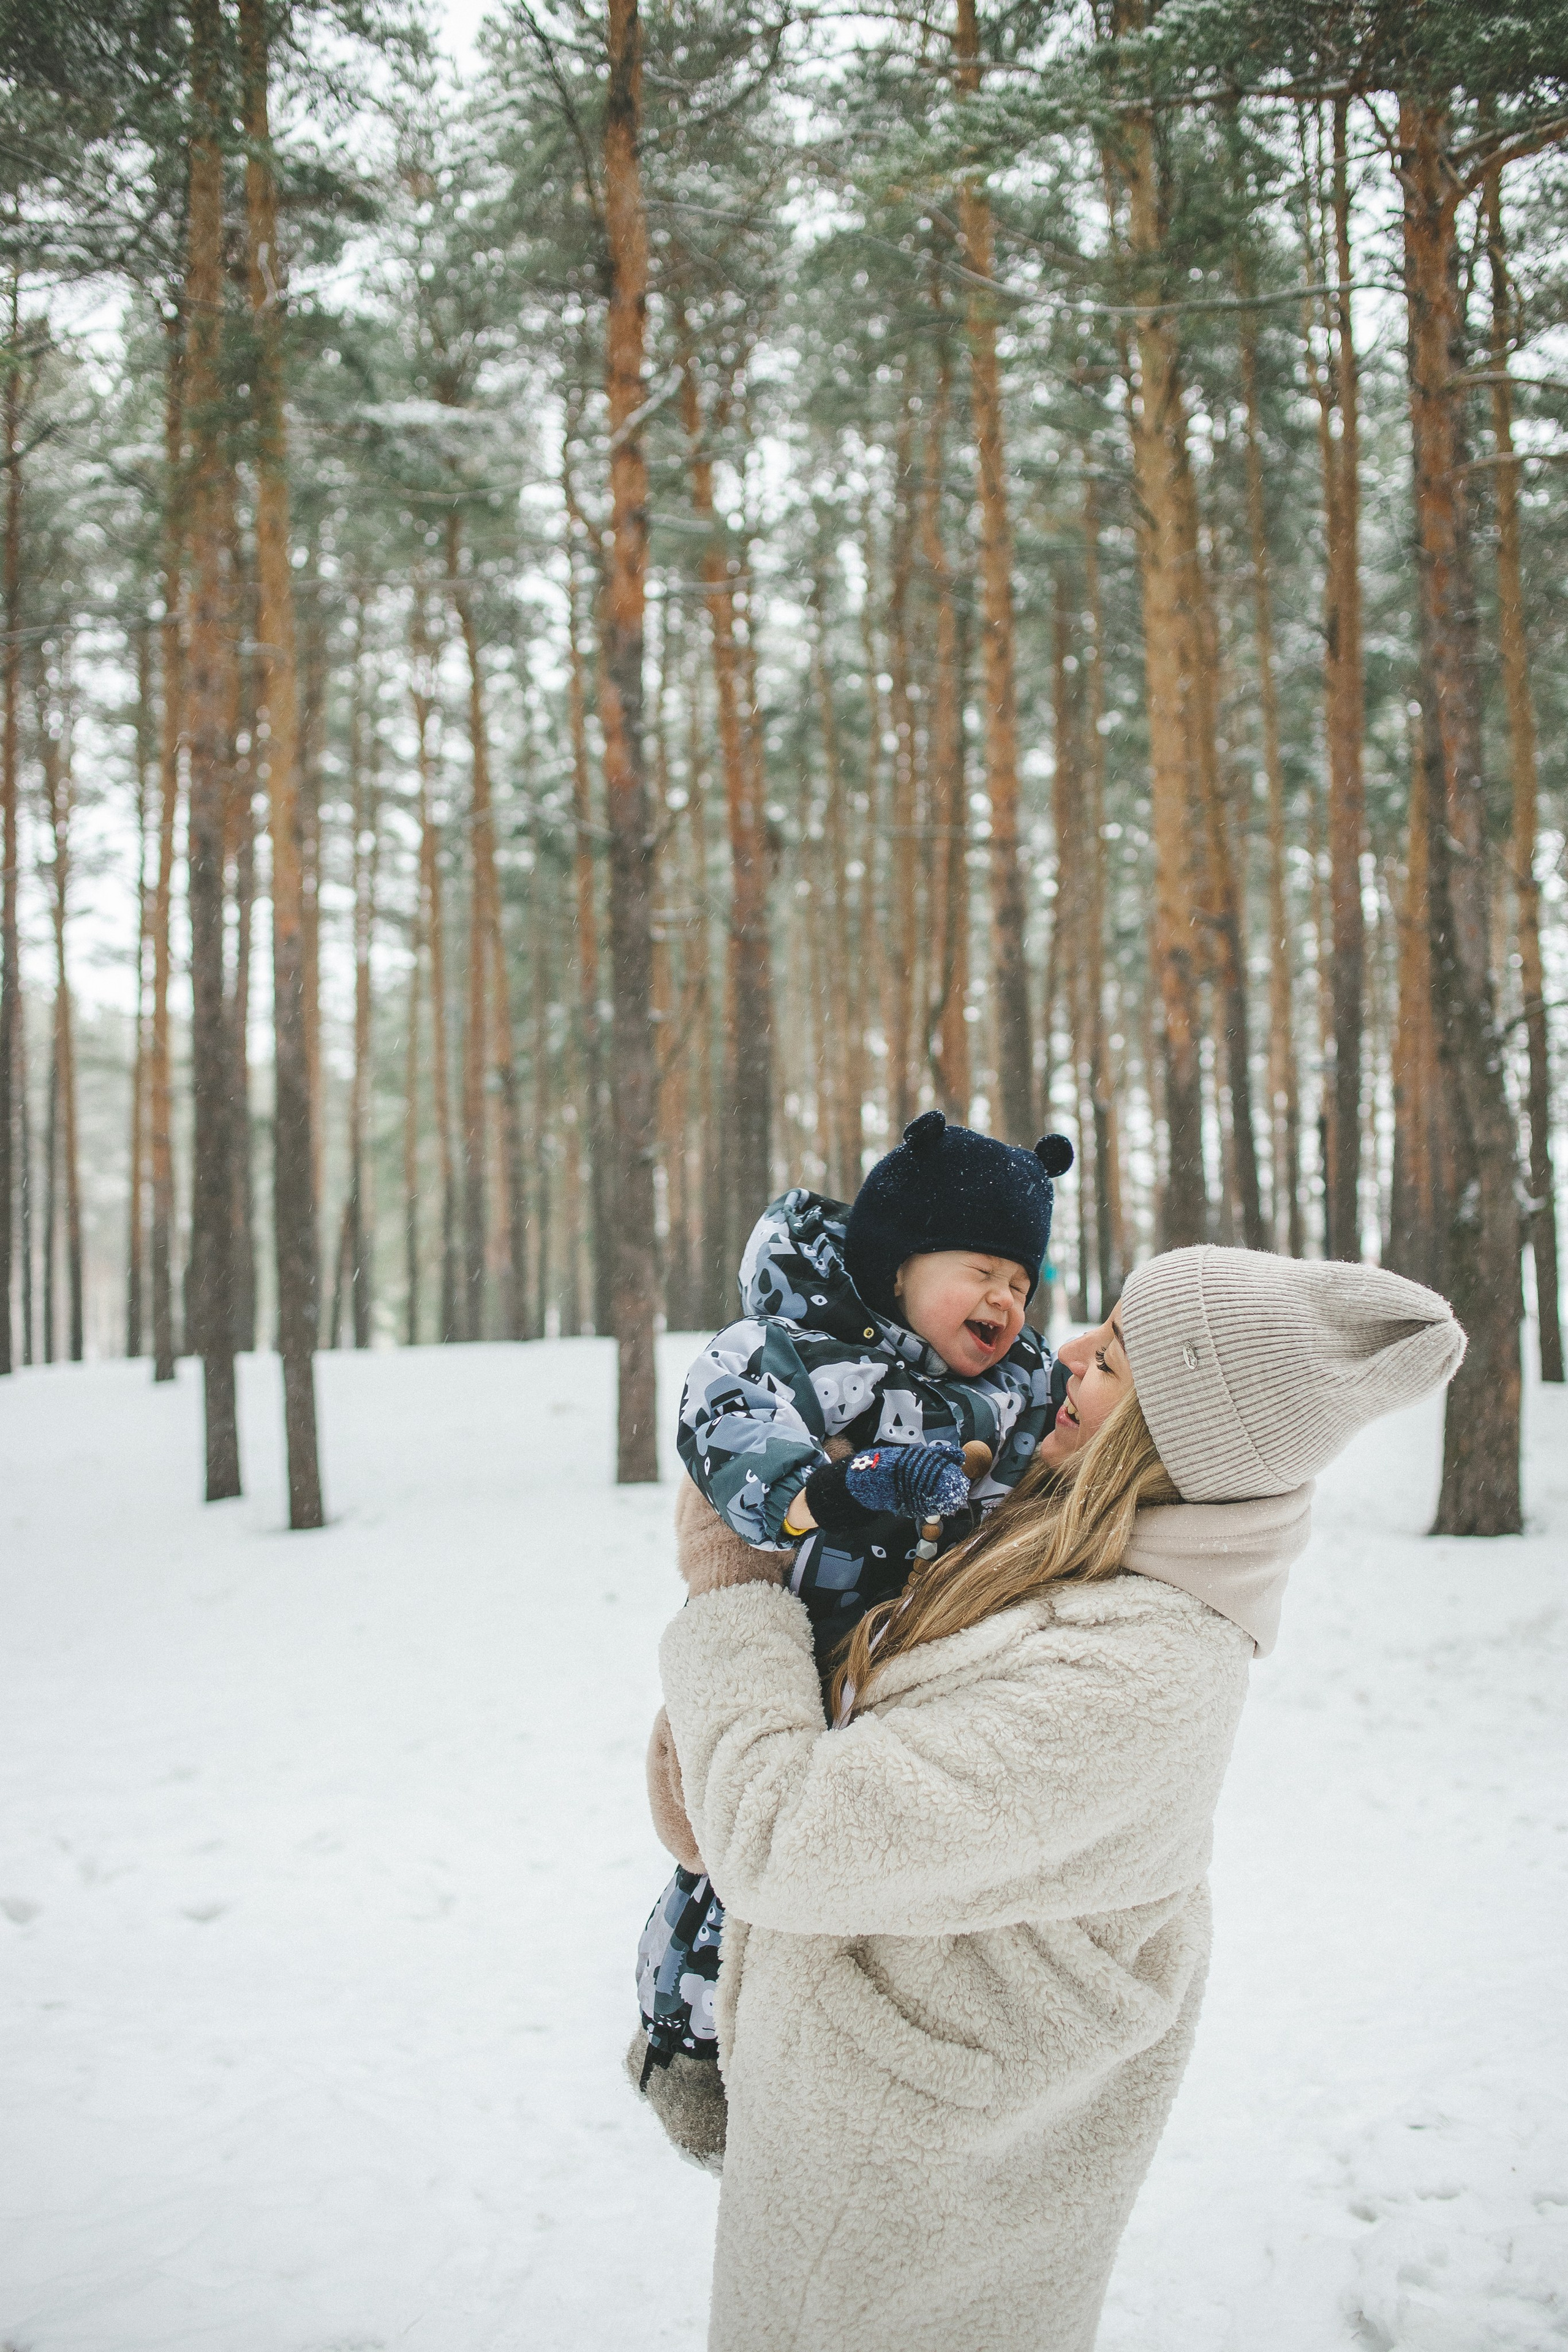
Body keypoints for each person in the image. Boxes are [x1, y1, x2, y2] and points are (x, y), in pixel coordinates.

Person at [650, 1246, 1466, 2352]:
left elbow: (785, 1840)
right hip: (877, 2167)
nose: (1070, 1351)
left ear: (1172, 1442)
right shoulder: (1066, 1548)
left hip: (906, 2237)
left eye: (1116, 1361)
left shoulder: (1138, 1672)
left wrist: (730, 1591)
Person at [630, 1112, 1074, 2133]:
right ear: (901, 1259)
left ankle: (830, 2084)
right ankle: (691, 2052)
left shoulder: (1018, 1385)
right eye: (983, 1272)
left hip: (914, 1674)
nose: (1007, 1301)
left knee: (858, 1882)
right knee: (728, 1872)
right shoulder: (801, 1346)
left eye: (1022, 1282)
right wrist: (830, 1490)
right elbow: (725, 1417)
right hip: (800, 1638)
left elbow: (1081, 1455)